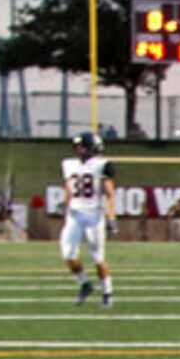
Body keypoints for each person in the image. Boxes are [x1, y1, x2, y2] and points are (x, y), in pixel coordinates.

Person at [60, 131, 117, 307]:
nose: (78, 149)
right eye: (77, 146)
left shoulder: (102, 165)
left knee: (98, 257)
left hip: (94, 216)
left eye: (82, 146)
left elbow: (109, 193)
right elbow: (69, 187)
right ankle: (84, 284)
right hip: (74, 215)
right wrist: (65, 203)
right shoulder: (69, 164)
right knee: (68, 254)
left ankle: (107, 291)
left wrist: (111, 217)